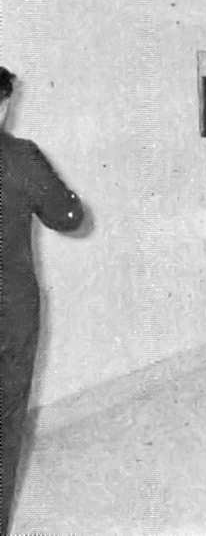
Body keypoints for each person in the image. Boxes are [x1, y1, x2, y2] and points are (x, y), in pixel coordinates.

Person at [0, 66, 86, 533]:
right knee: (5, 421)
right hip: (8, 311)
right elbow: (68, 217)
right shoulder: (19, 157)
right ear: (3, 105)